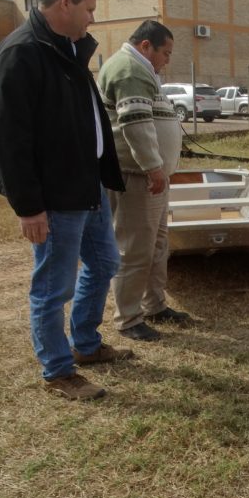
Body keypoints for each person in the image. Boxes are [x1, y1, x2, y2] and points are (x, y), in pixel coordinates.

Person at [0, 0, 130, 402]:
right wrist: (28, 207)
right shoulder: (20, 54)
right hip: (55, 196)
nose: (92, 19)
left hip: (87, 186)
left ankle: (85, 344)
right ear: (66, 2)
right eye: (89, 8)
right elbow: (10, 139)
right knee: (52, 286)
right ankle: (57, 371)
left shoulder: (66, 49)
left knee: (104, 264)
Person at [98, 20, 191, 342]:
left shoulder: (141, 69)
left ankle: (154, 305)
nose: (167, 59)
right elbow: (134, 123)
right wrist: (153, 167)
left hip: (151, 178)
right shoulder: (129, 69)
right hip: (137, 177)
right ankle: (128, 318)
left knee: (157, 245)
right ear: (145, 46)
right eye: (165, 52)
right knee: (136, 250)